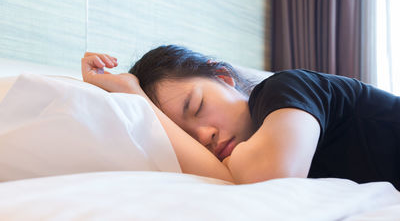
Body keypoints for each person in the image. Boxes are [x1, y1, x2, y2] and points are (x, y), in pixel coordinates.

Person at [81, 45, 400, 189]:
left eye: (196, 107)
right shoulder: (243, 157)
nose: (204, 136)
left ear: (223, 77)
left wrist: (138, 98)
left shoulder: (283, 88)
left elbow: (271, 178)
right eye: (185, 137)